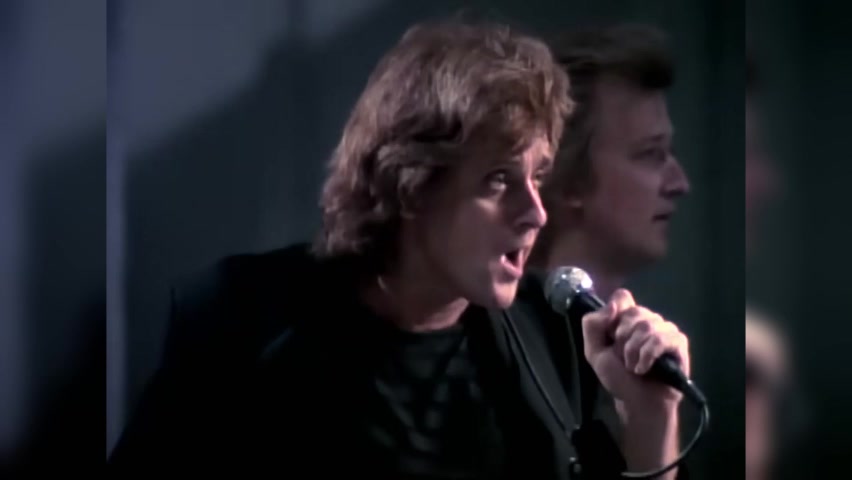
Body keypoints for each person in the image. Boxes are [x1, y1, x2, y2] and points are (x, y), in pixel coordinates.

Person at [108, 20, 691, 479]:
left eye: (538, 177)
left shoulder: (556, 335)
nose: (536, 212)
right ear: (413, 183)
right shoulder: (239, 320)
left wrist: (652, 418)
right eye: (498, 180)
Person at [529, 24, 691, 299]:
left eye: (669, 151)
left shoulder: (632, 323)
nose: (680, 184)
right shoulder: (492, 324)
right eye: (651, 153)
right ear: (570, 180)